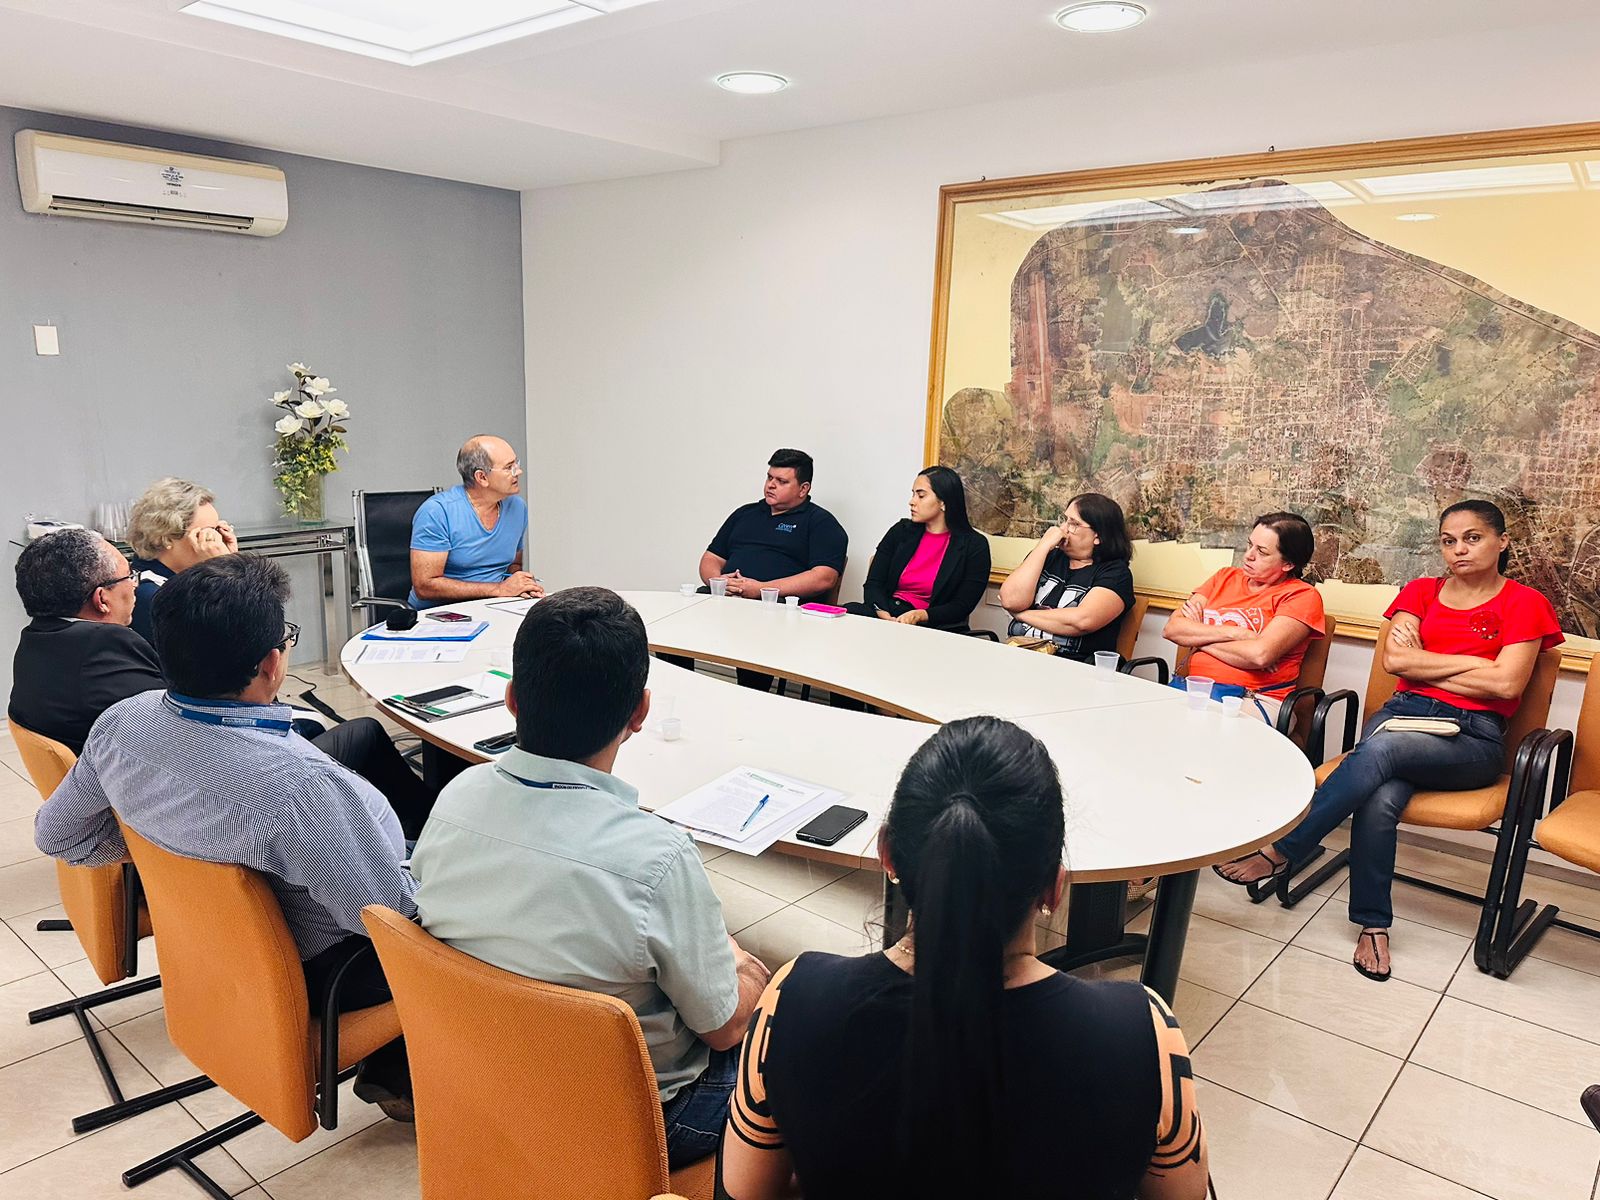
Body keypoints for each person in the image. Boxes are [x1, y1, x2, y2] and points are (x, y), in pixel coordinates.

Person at [720, 716, 1208, 1200]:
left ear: (887, 855)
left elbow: (742, 1192)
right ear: (1054, 887)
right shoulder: (1142, 1033)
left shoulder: (792, 1001)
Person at [32, 555, 421, 1115]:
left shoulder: (123, 722)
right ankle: (416, 1066)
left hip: (217, 955)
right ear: (270, 662)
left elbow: (56, 835)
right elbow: (390, 919)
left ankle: (394, 1066)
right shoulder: (297, 787)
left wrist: (159, 848)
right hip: (327, 969)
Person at [409, 586, 771, 1168]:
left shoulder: (454, 799)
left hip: (484, 1083)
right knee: (793, 1018)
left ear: (511, 699)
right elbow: (725, 1029)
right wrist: (745, 966)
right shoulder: (657, 859)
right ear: (640, 713)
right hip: (636, 1126)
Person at [1215, 501, 1562, 983]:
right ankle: (1373, 925)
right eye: (1448, 540)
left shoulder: (1525, 603)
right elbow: (1396, 663)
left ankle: (1284, 849)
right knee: (1379, 798)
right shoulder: (1420, 592)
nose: (1459, 550)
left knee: (1380, 750)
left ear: (1501, 542)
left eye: (1473, 538)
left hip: (1472, 736)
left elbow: (1506, 686)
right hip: (1401, 715)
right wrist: (1478, 665)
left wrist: (1430, 664)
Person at [696, 448, 848, 691]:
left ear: (803, 489)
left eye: (782, 481)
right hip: (726, 600)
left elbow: (824, 578)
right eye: (769, 478)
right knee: (679, 620)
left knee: (758, 629)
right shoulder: (744, 514)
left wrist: (761, 590)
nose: (771, 485)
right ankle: (682, 687)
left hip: (776, 610)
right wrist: (719, 582)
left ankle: (749, 701)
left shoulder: (821, 522)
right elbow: (710, 558)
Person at [1161, 512, 1325, 722]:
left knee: (1197, 728)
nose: (1248, 555)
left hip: (1255, 698)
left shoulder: (1302, 596)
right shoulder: (1224, 577)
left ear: (1288, 564)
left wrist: (1197, 639)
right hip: (1197, 689)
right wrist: (1238, 634)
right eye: (1249, 545)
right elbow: (1172, 629)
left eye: (1262, 552)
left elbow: (1259, 655)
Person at [9, 528, 161, 755]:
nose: (135, 585)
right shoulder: (104, 646)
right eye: (129, 576)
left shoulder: (34, 640)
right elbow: (176, 718)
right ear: (102, 599)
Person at [846, 466, 990, 630]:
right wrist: (884, 615)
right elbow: (873, 584)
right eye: (913, 494)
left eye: (921, 496)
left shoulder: (974, 545)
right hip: (888, 614)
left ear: (943, 502)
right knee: (847, 612)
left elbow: (961, 606)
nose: (912, 501)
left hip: (933, 625)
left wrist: (919, 615)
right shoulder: (900, 531)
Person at [998, 493, 1135, 662]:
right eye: (1064, 520)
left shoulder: (1115, 573)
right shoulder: (1047, 556)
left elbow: (1081, 621)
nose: (1063, 529)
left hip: (1071, 664)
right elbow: (1011, 601)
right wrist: (1043, 546)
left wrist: (1021, 615)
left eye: (1074, 524)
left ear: (1098, 536)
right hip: (1018, 653)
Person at [409, 435, 541, 608]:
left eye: (516, 464)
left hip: (495, 605)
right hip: (441, 613)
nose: (518, 471)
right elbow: (425, 587)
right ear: (482, 477)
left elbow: (514, 564)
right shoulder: (436, 512)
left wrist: (521, 586)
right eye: (509, 467)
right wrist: (499, 589)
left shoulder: (517, 507)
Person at [126, 477, 238, 644]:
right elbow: (231, 640)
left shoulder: (182, 581)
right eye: (208, 532)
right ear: (166, 537)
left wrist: (234, 563)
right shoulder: (152, 596)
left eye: (219, 530)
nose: (218, 540)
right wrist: (224, 571)